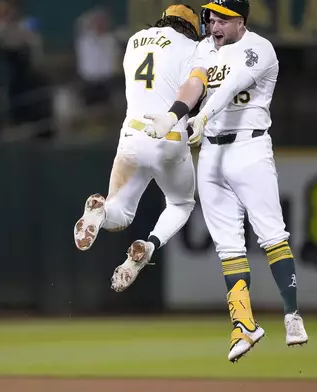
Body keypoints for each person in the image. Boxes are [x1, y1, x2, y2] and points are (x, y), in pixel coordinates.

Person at [149, 0, 308, 363]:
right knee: (228, 248)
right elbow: (195, 82)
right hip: (210, 153)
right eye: (209, 16)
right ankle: (243, 326)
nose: (213, 23)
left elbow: (232, 83)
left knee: (272, 235)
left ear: (241, 21)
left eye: (222, 18)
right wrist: (175, 113)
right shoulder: (205, 48)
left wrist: (203, 115)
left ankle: (292, 315)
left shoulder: (259, 48)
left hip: (250, 147)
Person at [73, 5, 208, 293]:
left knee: (119, 212)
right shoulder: (193, 47)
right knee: (181, 204)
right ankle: (148, 246)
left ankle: (99, 213)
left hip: (132, 134)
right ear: (190, 27)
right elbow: (195, 87)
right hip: (168, 133)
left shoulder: (135, 40)